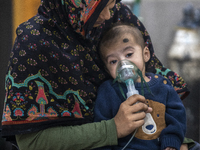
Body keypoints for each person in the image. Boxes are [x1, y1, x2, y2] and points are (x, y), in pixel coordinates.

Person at [1, 0, 198, 150]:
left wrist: (177, 142)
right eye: (103, 5)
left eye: (111, 3)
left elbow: (160, 95)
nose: (107, 15)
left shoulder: (117, 16)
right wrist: (113, 128)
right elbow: (32, 141)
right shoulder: (34, 41)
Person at [94, 23, 186, 150]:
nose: (123, 64)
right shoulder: (108, 91)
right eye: (114, 61)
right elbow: (101, 131)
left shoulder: (163, 86)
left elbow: (177, 117)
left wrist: (171, 142)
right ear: (107, 68)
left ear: (146, 54)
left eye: (129, 54)